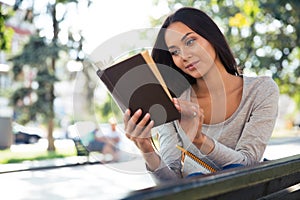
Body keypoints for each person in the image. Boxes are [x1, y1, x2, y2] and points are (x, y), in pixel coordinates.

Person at [123, 7, 279, 183]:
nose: (184, 56)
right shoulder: (173, 103)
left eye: (190, 42)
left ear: (211, 37)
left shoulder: (261, 90)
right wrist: (146, 149)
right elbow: (170, 183)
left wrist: (199, 140)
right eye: (174, 52)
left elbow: (248, 163)